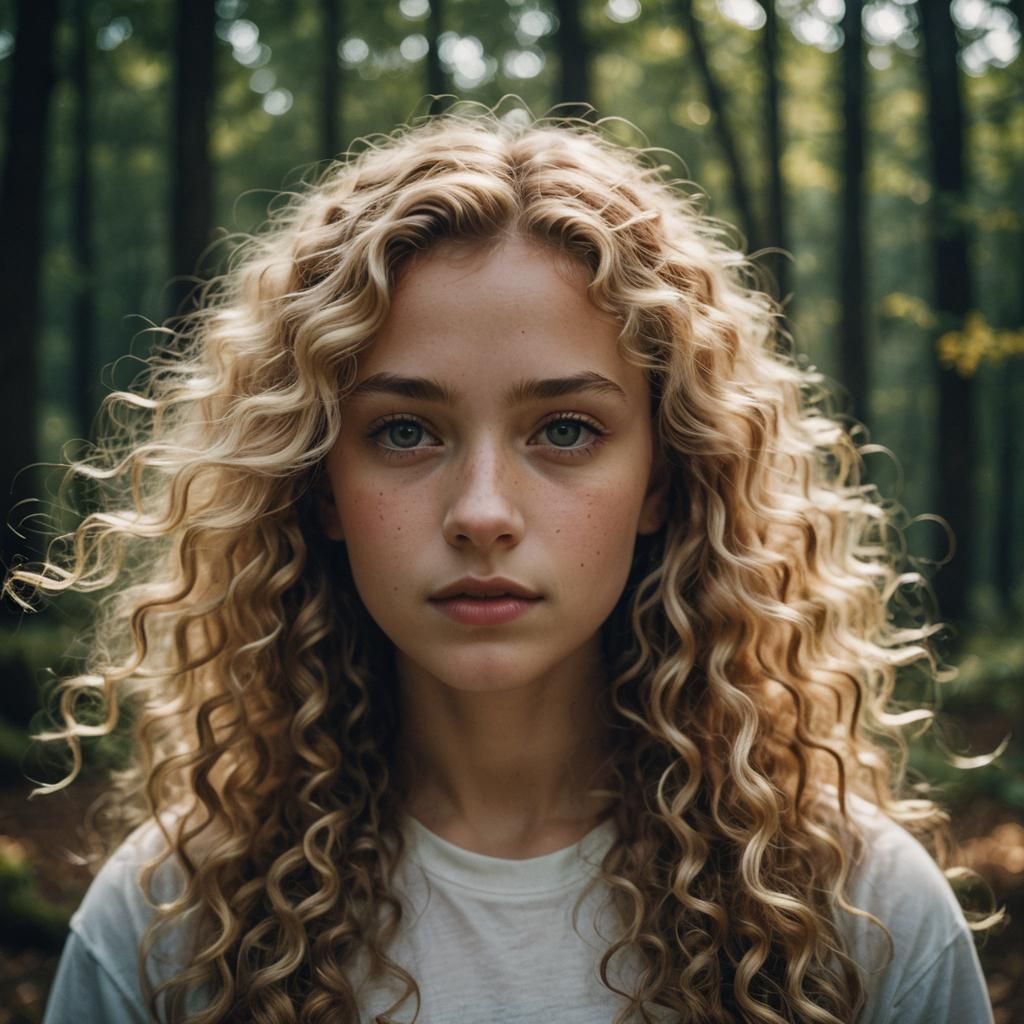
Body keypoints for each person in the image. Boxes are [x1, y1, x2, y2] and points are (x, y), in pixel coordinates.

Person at [10, 108, 995, 1024]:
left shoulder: (860, 916)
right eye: (404, 431)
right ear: (315, 484)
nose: (481, 511)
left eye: (565, 429)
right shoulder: (169, 924)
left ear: (665, 474)